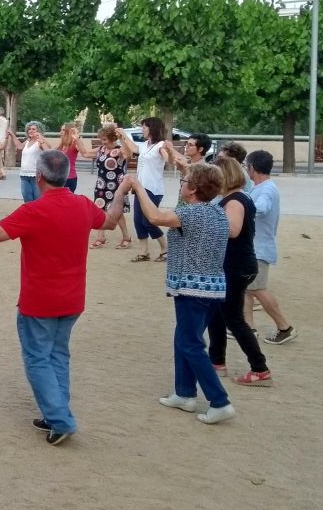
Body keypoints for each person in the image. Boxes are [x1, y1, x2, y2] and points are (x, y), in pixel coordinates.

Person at [0, 150, 129, 445]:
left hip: (40, 300)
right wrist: (121, 190)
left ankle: (60, 419)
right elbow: (110, 221)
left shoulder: (34, 210)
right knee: (58, 355)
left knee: (37, 358)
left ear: (40, 176)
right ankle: (55, 412)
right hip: (72, 299)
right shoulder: (82, 204)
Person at [127, 165, 238, 425]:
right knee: (184, 338)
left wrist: (137, 187)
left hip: (192, 289)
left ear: (194, 189)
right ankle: (184, 392)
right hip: (212, 288)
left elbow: (153, 217)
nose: (181, 183)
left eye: (184, 180)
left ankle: (219, 401)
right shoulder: (216, 212)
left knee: (190, 343)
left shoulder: (193, 214)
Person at [206, 157, 272, 385]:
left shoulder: (234, 201)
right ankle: (217, 361)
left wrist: (207, 222)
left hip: (236, 267)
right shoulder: (234, 198)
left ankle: (260, 368)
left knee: (234, 319)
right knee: (216, 314)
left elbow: (233, 230)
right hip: (233, 265)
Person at [243, 150, 296, 346]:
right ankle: (248, 328)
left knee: (257, 289)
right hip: (254, 247)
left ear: (252, 168)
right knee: (247, 290)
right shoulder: (260, 187)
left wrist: (242, 209)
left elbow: (261, 208)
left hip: (259, 249)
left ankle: (284, 327)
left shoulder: (266, 190)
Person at [131, 117, 173, 263]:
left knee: (148, 220)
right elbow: (133, 148)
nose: (142, 129)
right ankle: (144, 252)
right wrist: (122, 135)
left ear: (152, 128)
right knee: (137, 220)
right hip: (140, 187)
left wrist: (170, 152)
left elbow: (168, 160)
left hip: (152, 188)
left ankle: (165, 248)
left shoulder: (160, 145)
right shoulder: (145, 144)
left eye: (144, 127)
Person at [89, 124, 135, 249]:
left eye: (104, 139)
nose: (102, 141)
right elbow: (85, 153)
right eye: (101, 139)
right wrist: (76, 139)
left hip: (117, 185)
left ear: (112, 138)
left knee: (118, 212)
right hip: (101, 184)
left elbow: (129, 155)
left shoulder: (119, 149)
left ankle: (126, 237)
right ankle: (100, 238)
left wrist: (122, 139)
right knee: (100, 209)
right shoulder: (101, 149)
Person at [9, 121, 50, 203]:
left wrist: (41, 140)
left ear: (39, 131)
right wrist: (12, 135)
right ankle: (30, 215)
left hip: (36, 176)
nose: (31, 131)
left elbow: (48, 151)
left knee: (37, 200)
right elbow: (19, 146)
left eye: (34, 129)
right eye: (29, 129)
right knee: (27, 200)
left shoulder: (40, 142)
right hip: (24, 175)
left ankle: (38, 215)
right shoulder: (27, 141)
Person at [58, 122, 92, 193]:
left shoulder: (75, 143)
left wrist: (77, 137)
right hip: (59, 178)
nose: (61, 132)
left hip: (69, 178)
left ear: (69, 131)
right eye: (61, 130)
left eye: (63, 130)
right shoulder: (62, 144)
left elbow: (83, 151)